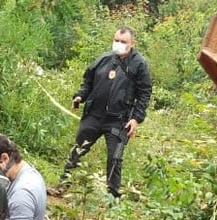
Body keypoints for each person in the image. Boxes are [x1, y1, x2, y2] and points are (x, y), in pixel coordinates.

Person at [55, 26, 152, 198]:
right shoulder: (103, 59)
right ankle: (62, 185)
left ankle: (112, 199)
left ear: (132, 43)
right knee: (78, 149)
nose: (119, 44)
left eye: (123, 42)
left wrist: (136, 119)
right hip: (94, 114)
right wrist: (80, 96)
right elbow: (88, 82)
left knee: (114, 159)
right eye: (117, 40)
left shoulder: (139, 64)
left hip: (119, 119)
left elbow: (144, 93)